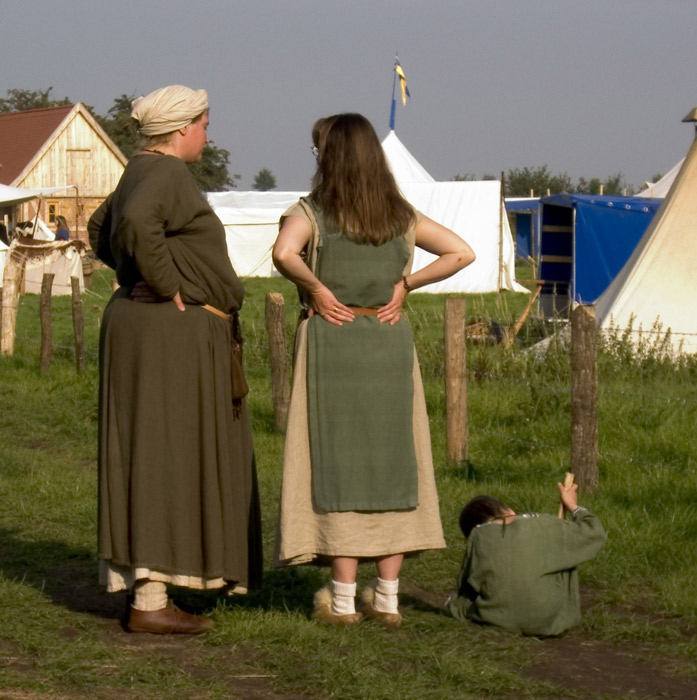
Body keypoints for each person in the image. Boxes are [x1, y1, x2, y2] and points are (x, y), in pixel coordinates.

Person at [272, 113, 476, 628]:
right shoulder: (400, 216)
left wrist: (317, 289)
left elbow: (283, 253)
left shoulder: (312, 212)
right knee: (392, 467)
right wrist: (408, 285)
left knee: (338, 468)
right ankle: (386, 598)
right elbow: (461, 252)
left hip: (330, 348)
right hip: (387, 346)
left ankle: (342, 602)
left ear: (332, 156)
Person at [88, 85, 262, 635]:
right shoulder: (164, 174)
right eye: (205, 126)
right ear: (182, 128)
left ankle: (151, 588)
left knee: (155, 450)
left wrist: (134, 273)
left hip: (152, 330)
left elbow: (102, 228)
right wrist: (163, 284)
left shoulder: (136, 170)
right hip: (169, 336)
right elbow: (136, 223)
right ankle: (151, 601)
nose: (208, 137)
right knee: (167, 453)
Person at [448, 482, 606, 636]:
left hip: (495, 618)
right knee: (565, 554)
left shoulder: (477, 536)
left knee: (459, 601)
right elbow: (594, 533)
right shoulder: (545, 523)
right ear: (510, 511)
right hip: (547, 620)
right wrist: (573, 505)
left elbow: (466, 582)